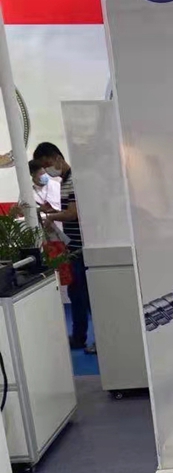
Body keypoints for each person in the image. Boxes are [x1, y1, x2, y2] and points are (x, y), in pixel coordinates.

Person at [32, 142, 94, 353]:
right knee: (77, 292)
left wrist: (51, 217)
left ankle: (91, 338)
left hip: (82, 247)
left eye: (47, 164)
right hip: (74, 246)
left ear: (58, 158)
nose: (47, 169)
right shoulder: (65, 181)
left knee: (85, 295)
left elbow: (73, 213)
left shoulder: (74, 179)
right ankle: (79, 336)